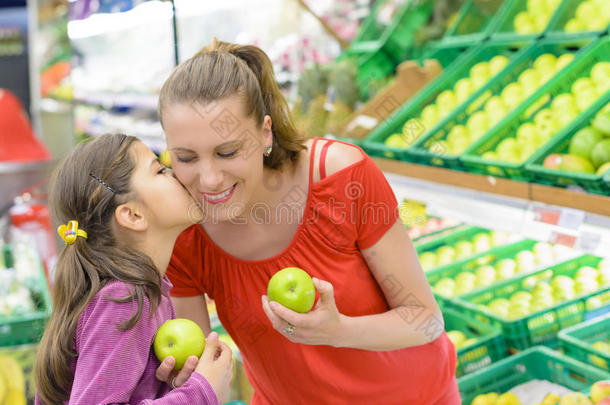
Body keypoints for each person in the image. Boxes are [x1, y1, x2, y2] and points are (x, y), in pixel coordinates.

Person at [156, 39, 459, 404]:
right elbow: (201, 363)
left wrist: (338, 330)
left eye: (228, 152)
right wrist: (183, 380)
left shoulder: (340, 178)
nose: (208, 180)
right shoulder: (183, 230)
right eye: (186, 158)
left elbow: (426, 321)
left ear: (265, 133)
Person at [34, 134, 233, 405]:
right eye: (160, 170)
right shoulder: (125, 299)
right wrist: (199, 392)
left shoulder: (147, 290)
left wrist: (168, 388)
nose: (176, 174)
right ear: (133, 215)